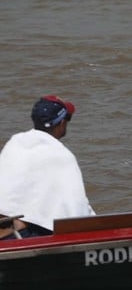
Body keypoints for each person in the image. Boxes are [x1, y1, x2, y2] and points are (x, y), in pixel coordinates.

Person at [0, 95, 95, 240]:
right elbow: (76, 209)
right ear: (62, 123)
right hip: (23, 235)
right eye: (68, 118)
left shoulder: (15, 142)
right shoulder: (62, 155)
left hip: (7, 227)